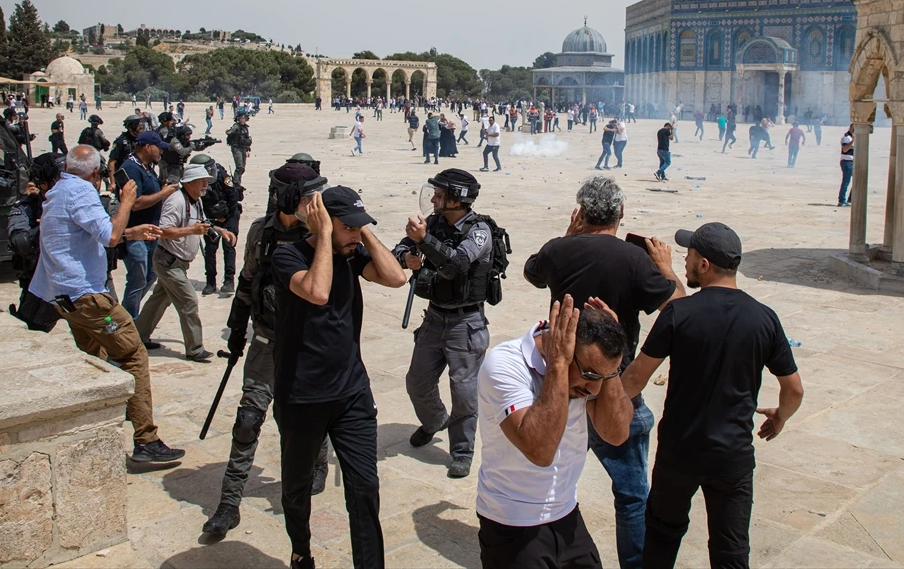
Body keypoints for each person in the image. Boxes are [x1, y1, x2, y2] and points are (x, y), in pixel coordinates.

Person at [622, 222, 803, 569]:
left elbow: (634, 380)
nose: (685, 261)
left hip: (680, 454)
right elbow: (794, 389)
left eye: (689, 255)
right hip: (732, 457)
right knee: (730, 551)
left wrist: (599, 408)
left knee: (661, 538)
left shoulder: (679, 314)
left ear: (704, 265)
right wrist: (780, 417)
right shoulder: (764, 318)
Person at [523, 177, 684, 569]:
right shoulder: (633, 259)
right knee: (632, 494)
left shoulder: (557, 250)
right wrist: (666, 269)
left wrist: (566, 237)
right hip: (613, 386)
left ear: (581, 212)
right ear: (621, 212)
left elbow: (532, 273)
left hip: (562, 383)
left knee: (546, 483)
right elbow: (679, 310)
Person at [270, 187, 406, 569]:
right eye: (348, 227)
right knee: (297, 488)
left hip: (351, 393)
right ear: (323, 223)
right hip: (301, 396)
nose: (355, 236)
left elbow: (397, 277)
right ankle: (301, 550)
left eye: (358, 227)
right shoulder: (287, 256)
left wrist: (360, 230)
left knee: (365, 489)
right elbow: (317, 291)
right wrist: (326, 234)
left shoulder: (353, 252)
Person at [27, 145, 184, 465]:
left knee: (95, 360)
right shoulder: (83, 191)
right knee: (132, 354)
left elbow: (90, 235)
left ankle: (94, 428)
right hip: (90, 301)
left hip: (65, 299)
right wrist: (126, 201)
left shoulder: (58, 192)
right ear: (96, 174)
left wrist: (131, 232)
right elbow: (109, 236)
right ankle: (146, 440)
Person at [204, 161, 333, 539]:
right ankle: (229, 503)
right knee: (248, 421)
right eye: (309, 196)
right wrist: (235, 330)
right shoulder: (261, 232)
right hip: (265, 341)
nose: (316, 203)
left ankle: (319, 461)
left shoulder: (321, 235)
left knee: (310, 417)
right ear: (289, 197)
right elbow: (248, 282)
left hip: (308, 346)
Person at [475, 296, 632, 569]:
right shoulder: (504, 364)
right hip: (512, 522)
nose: (594, 390)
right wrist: (558, 365)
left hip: (566, 512)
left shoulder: (588, 371)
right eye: (590, 376)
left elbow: (616, 434)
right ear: (563, 347)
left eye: (602, 378)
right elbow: (540, 451)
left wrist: (610, 371)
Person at [393, 169, 501, 479]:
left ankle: (462, 451)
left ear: (456, 199)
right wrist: (407, 256)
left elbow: (455, 264)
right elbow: (399, 249)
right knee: (417, 381)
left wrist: (424, 240)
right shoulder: (434, 224)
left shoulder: (479, 232)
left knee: (463, 391)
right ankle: (435, 421)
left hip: (466, 323)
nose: (433, 200)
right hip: (434, 317)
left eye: (439, 195)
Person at [135, 164, 235, 361]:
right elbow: (163, 231)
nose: (206, 185)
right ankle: (195, 349)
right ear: (189, 183)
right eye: (201, 181)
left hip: (178, 262)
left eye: (207, 181)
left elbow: (202, 223)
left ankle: (138, 337)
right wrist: (191, 231)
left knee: (158, 300)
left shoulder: (196, 200)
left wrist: (220, 230)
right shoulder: (176, 201)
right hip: (168, 261)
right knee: (189, 301)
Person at [120, 131, 179, 319]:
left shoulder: (145, 167)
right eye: (158, 147)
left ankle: (128, 318)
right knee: (137, 280)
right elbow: (135, 203)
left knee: (150, 276)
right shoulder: (131, 168)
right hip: (135, 234)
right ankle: (129, 323)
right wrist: (163, 194)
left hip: (151, 232)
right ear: (147, 147)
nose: (161, 151)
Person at [7, 153, 68, 332]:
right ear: (44, 184)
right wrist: (46, 227)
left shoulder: (79, 203)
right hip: (40, 285)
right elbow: (19, 242)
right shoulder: (27, 207)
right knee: (33, 330)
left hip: (78, 282)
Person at [196, 153, 244, 297]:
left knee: (229, 246)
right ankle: (210, 282)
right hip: (210, 217)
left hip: (229, 214)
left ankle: (229, 281)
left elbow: (233, 197)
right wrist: (212, 219)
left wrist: (225, 216)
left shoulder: (223, 177)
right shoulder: (195, 182)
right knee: (210, 249)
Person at [226, 111, 252, 186]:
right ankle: (235, 183)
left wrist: (248, 149)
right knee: (239, 167)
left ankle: (238, 182)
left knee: (242, 168)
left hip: (243, 148)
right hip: (236, 148)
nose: (242, 120)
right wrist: (229, 132)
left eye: (244, 118)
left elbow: (246, 139)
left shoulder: (245, 128)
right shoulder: (236, 126)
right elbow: (230, 131)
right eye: (241, 118)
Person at [837, 125, 854, 207]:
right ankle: (842, 200)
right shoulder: (846, 137)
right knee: (846, 181)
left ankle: (851, 198)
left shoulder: (854, 137)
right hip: (847, 162)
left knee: (858, 180)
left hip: (853, 162)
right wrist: (853, 141)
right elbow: (845, 149)